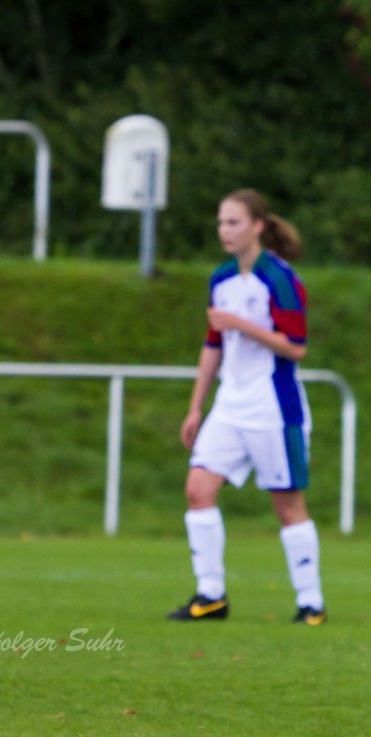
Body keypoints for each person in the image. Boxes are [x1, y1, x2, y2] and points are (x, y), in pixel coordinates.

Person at [167, 189, 326, 625]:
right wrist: (196, 407)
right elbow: (212, 345)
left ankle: (311, 603)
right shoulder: (220, 279)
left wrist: (242, 324)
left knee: (287, 505)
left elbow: (296, 348)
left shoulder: (280, 279)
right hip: (229, 407)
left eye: (234, 222)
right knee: (197, 491)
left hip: (273, 408)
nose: (225, 231)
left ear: (258, 225)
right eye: (221, 222)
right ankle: (211, 596)